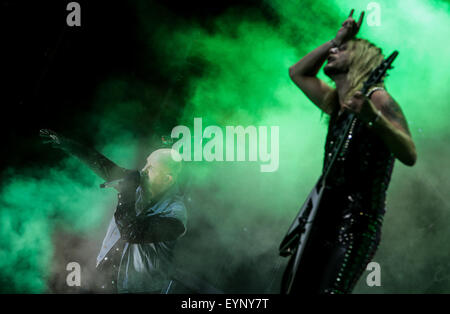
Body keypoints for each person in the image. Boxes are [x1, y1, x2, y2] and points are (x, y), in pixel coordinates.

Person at [281, 9, 417, 294]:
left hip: (354, 225)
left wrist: (373, 118)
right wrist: (336, 38)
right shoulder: (337, 104)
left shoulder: (377, 98)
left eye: (342, 50)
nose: (333, 52)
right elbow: (297, 72)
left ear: (360, 59)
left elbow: (409, 153)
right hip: (321, 219)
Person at [40, 129, 187, 293]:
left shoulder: (175, 215)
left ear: (168, 178)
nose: (143, 171)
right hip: (104, 277)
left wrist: (126, 192)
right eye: (146, 163)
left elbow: (131, 232)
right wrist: (67, 144)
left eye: (151, 168)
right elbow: (102, 165)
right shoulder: (142, 182)